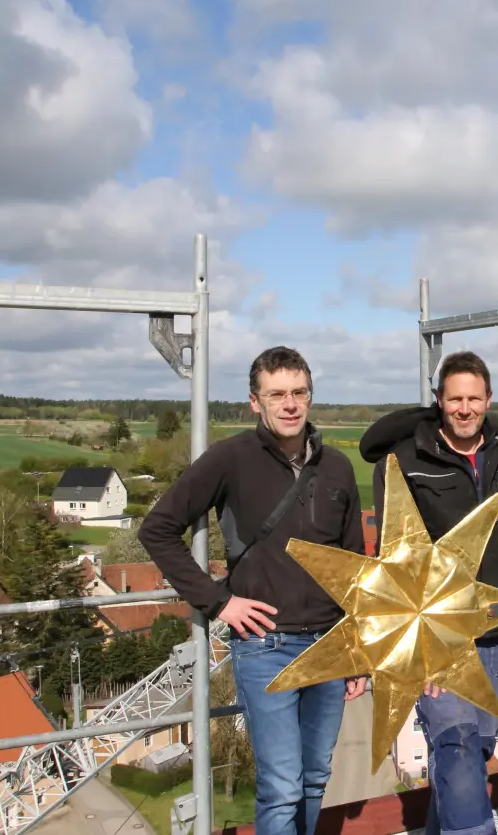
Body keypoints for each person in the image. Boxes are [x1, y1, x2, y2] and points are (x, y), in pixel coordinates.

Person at [138, 346, 367, 835]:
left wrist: (358, 653)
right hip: (266, 644)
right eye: (277, 394)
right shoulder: (230, 460)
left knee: (314, 779)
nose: (290, 404)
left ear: (310, 397)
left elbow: (355, 569)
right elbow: (158, 529)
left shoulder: (338, 468)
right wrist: (219, 602)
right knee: (282, 785)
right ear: (254, 402)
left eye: (299, 393)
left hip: (330, 644)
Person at [357, 350, 498, 835]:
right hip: (432, 636)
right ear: (439, 402)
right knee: (457, 745)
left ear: (489, 400)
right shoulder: (405, 460)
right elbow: (397, 561)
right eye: (455, 399)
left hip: (491, 631)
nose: (465, 408)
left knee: (480, 746)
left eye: (474, 398)